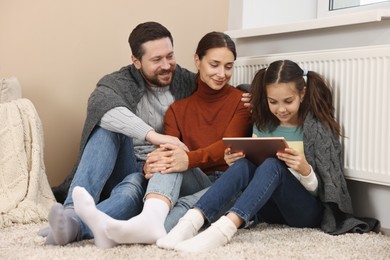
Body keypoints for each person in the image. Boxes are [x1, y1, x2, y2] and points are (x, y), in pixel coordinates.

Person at [41, 23, 251, 247]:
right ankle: (73, 211)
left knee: (143, 180)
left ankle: (75, 225)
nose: (166, 65)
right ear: (136, 62)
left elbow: (221, 93)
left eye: (170, 56)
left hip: (169, 170)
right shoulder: (123, 83)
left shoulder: (187, 81)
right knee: (112, 131)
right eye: (156, 59)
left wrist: (253, 92)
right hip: (135, 164)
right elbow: (100, 104)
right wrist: (154, 137)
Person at [156, 59, 378, 252]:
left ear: (302, 93)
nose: (280, 109)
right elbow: (253, 173)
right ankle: (190, 223)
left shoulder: (316, 129)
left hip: (305, 212)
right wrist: (233, 161)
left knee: (273, 165)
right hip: (267, 209)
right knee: (243, 165)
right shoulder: (263, 124)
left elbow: (327, 191)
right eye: (273, 102)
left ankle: (223, 231)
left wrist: (305, 170)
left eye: (288, 101)